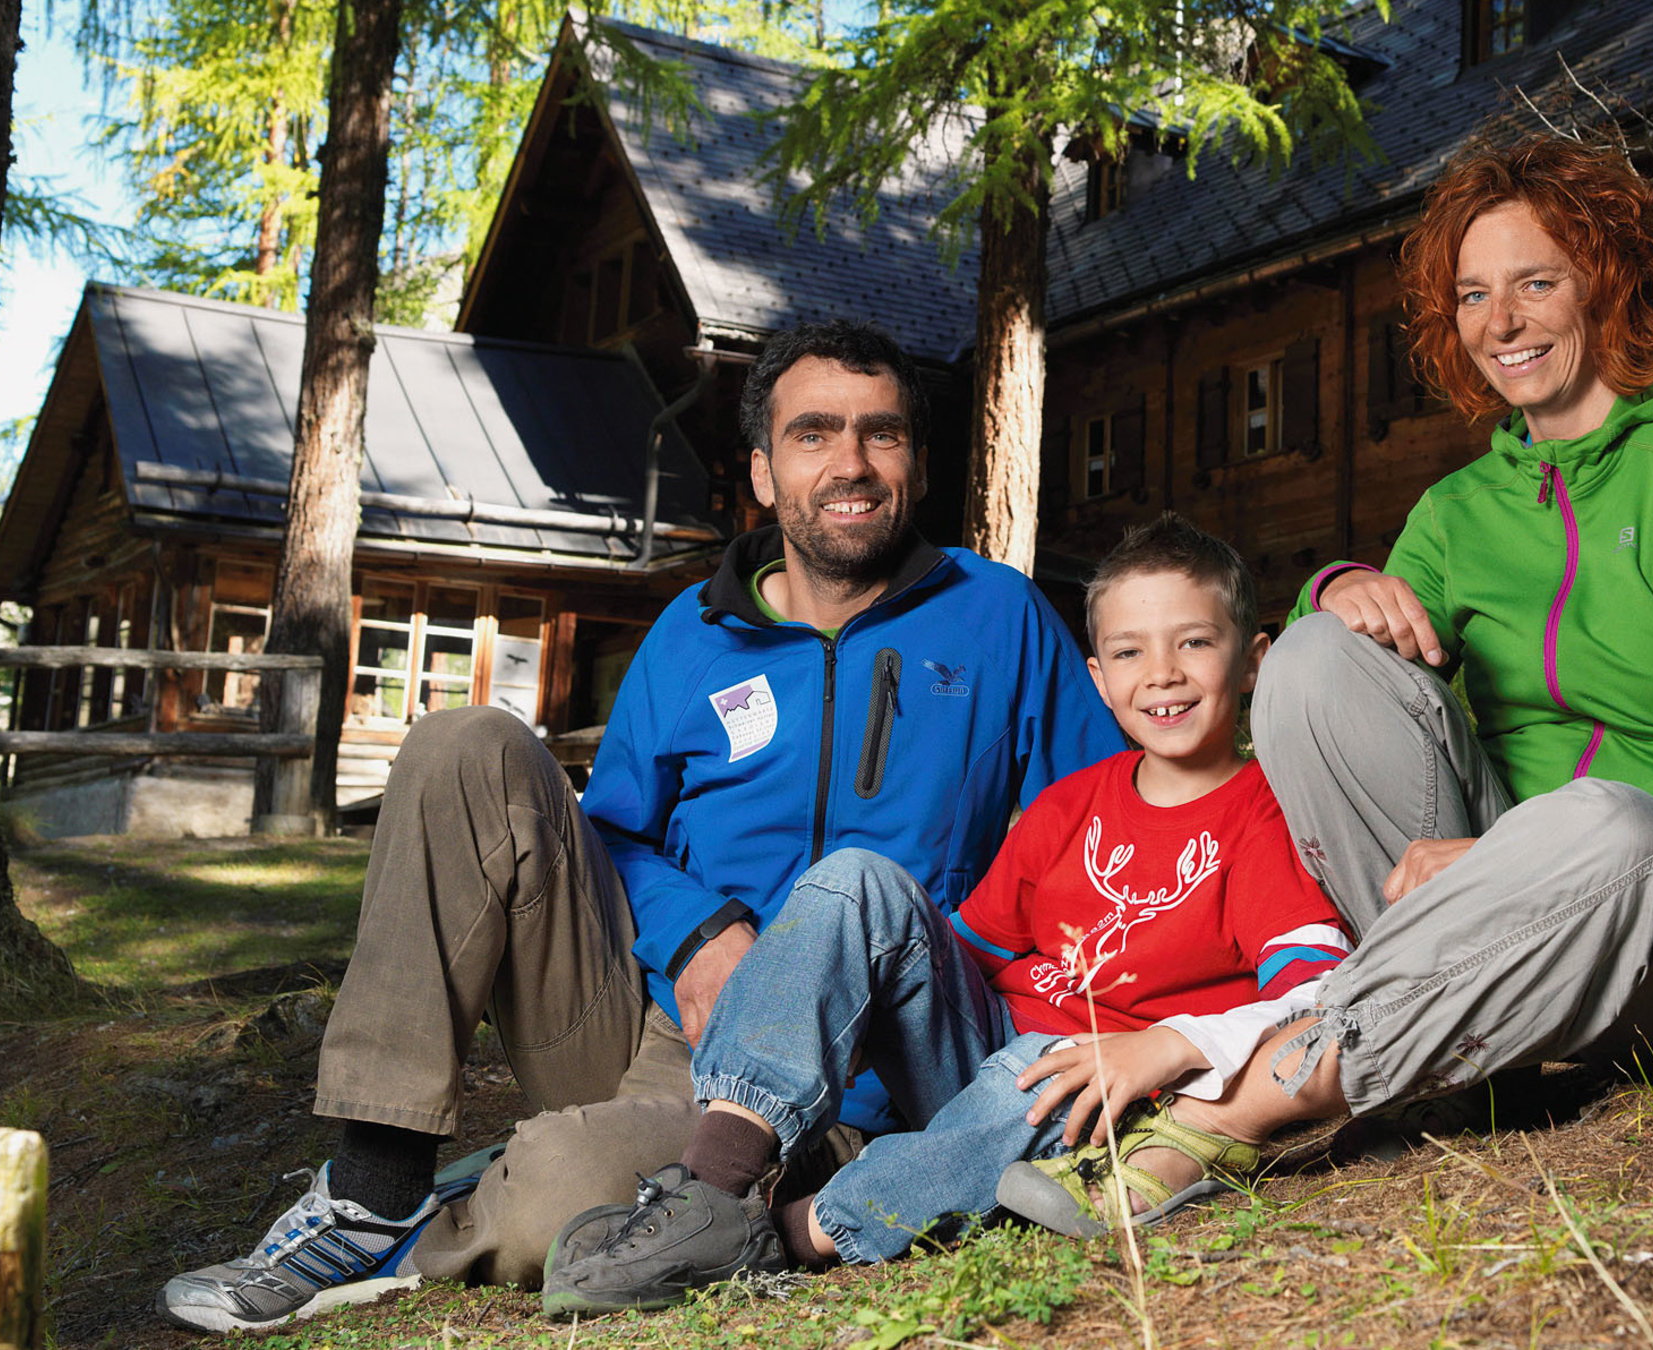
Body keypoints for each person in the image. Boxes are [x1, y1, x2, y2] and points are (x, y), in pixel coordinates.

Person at [156, 321, 1124, 1333]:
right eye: (814, 434)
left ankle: (548, 1205)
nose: (851, 463)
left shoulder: (998, 617)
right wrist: (698, 932)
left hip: (858, 1082)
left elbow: (1111, 825)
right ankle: (373, 1185)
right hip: (656, 1028)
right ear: (761, 470)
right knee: (464, 743)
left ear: (916, 466)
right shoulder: (691, 635)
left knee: (555, 1203)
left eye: (882, 435)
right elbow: (608, 834)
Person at [1102, 137, 1653, 1170]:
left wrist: (1521, 857)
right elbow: (1358, 692)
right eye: (1474, 294)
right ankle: (1471, 1068)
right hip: (1496, 917)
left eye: (1536, 282)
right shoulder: (1456, 510)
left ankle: (1249, 1103)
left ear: (1608, 286)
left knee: (1616, 827)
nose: (1501, 323)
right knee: (1309, 658)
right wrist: (1337, 587)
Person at [536, 514, 1354, 1315]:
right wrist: (843, 997)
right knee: (856, 877)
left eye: (1195, 643)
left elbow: (1312, 997)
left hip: (1101, 1095)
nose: (1163, 673)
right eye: (1130, 652)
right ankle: (709, 1190)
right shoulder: (1071, 806)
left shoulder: (1268, 815)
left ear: (1253, 661)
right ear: (1097, 678)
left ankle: (791, 1235)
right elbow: (953, 951)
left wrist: (1169, 1044)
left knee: (1023, 1074)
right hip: (984, 1054)